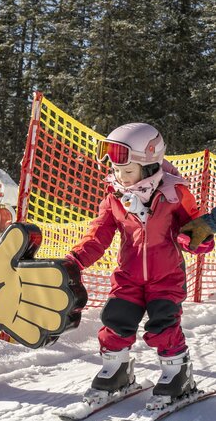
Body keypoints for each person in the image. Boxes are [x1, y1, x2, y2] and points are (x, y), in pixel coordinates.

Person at [66, 122, 215, 406]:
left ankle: (177, 375)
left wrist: (198, 239)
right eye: (116, 170)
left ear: (149, 165)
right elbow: (98, 235)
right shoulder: (114, 197)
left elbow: (195, 229)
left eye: (128, 171)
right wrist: (75, 261)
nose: (121, 177)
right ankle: (117, 370)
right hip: (128, 276)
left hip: (166, 276)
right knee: (115, 319)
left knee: (163, 325)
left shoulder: (175, 193)